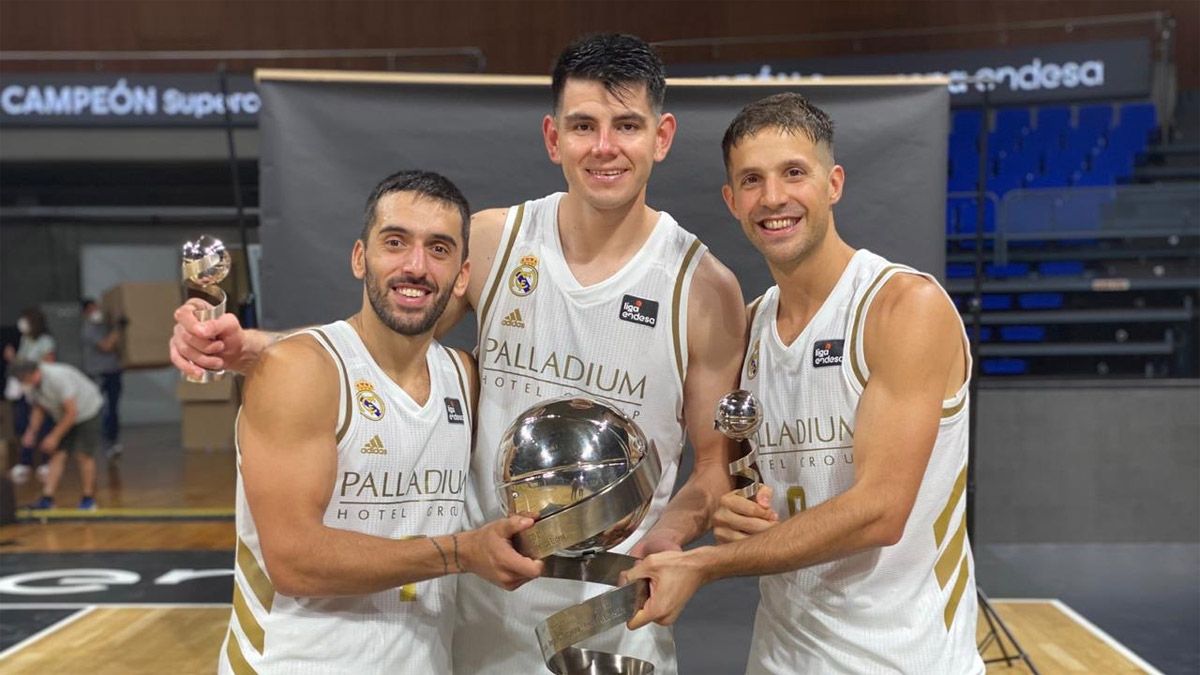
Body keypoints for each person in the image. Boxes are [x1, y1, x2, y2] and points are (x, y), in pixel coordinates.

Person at [171, 34, 745, 673]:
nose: (604, 147)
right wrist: (253, 346)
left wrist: (669, 538)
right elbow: (388, 346)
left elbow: (713, 468)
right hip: (478, 607)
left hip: (609, 612)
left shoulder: (706, 290)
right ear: (554, 139)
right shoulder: (496, 242)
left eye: (626, 126)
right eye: (583, 125)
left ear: (661, 137)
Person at [625, 93, 984, 674]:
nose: (773, 198)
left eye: (794, 173)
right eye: (751, 180)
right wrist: (685, 529)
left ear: (833, 182)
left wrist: (707, 565)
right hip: (780, 656)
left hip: (903, 660)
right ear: (732, 201)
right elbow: (723, 474)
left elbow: (880, 512)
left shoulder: (901, 307)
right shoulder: (751, 327)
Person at [217, 170, 543, 673]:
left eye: (438, 249)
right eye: (396, 242)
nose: (415, 266)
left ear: (461, 276)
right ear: (359, 258)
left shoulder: (464, 377)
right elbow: (294, 558)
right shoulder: (300, 370)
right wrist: (461, 552)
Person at [10, 359, 104, 511]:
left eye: (24, 379)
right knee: (57, 454)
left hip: (87, 411)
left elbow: (72, 412)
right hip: (63, 415)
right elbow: (38, 408)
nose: (23, 383)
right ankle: (47, 498)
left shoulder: (57, 378)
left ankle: (88, 498)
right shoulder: (31, 385)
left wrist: (54, 436)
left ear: (33, 373)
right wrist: (31, 432)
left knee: (83, 455)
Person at [5, 307, 57, 484]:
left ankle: (45, 461)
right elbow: (21, 364)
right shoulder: (26, 339)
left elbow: (47, 364)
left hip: (41, 388)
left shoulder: (46, 341)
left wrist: (26, 366)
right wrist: (13, 359)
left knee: (43, 426)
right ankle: (25, 461)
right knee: (24, 425)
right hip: (25, 388)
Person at [80, 298, 124, 460]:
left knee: (113, 408)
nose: (96, 311)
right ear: (85, 313)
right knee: (101, 409)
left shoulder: (105, 325)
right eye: (91, 309)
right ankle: (103, 443)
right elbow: (106, 346)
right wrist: (118, 327)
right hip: (98, 373)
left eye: (96, 308)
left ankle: (113, 441)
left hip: (114, 371)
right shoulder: (88, 329)